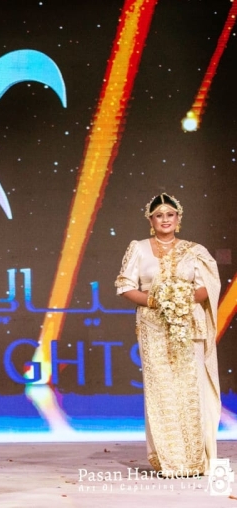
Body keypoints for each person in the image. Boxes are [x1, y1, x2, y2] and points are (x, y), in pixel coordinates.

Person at [115, 193, 221, 478]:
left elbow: (207, 287)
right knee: (162, 390)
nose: (165, 220)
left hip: (188, 326)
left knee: (191, 390)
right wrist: (156, 300)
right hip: (153, 328)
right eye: (159, 215)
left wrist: (180, 298)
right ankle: (170, 461)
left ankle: (197, 460)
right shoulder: (138, 248)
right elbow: (125, 286)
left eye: (170, 214)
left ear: (178, 218)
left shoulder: (195, 251)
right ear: (150, 220)